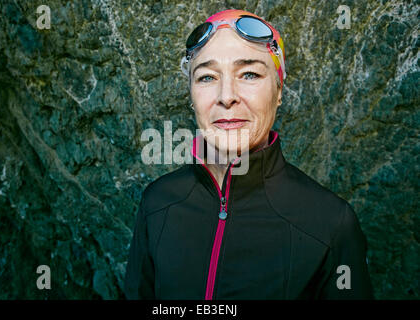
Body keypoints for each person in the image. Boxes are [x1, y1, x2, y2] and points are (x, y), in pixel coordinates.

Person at [124, 9, 374, 300]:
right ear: (191, 95)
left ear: (278, 91)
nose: (226, 95)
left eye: (250, 74)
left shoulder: (332, 223)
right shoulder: (157, 203)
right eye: (207, 77)